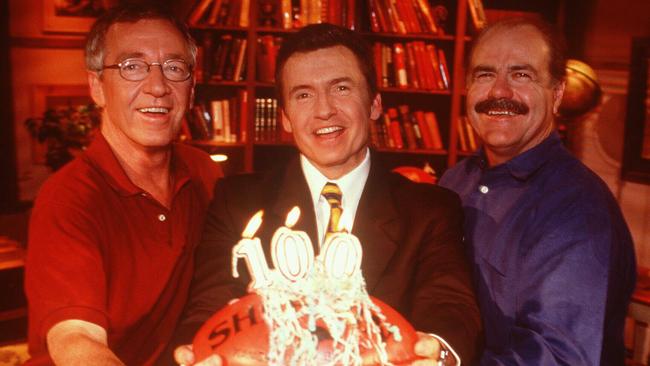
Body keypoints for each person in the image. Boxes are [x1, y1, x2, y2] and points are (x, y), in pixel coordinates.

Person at [171, 23, 481, 366]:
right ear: (286, 117)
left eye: (341, 88)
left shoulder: (430, 208)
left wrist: (436, 353)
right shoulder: (237, 201)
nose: (324, 110)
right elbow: (207, 306)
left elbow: (449, 305)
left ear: (375, 104)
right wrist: (201, 354)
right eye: (303, 94)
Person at [24, 4, 222, 365]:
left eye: (175, 68)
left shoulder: (205, 172)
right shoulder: (68, 198)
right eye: (132, 67)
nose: (158, 87)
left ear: (191, 90)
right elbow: (77, 339)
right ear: (97, 87)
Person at [439, 18, 636, 365]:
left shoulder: (579, 210)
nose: (499, 91)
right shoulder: (454, 182)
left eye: (521, 75)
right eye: (485, 74)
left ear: (557, 94)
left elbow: (561, 359)